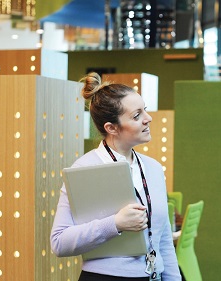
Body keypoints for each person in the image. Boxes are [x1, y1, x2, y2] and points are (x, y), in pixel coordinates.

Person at [51, 72, 181, 281]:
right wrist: (115, 224)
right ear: (111, 128)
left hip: (153, 275)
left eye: (144, 110)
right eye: (137, 115)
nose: (148, 118)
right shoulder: (85, 169)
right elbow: (59, 242)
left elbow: (164, 239)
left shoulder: (154, 168)